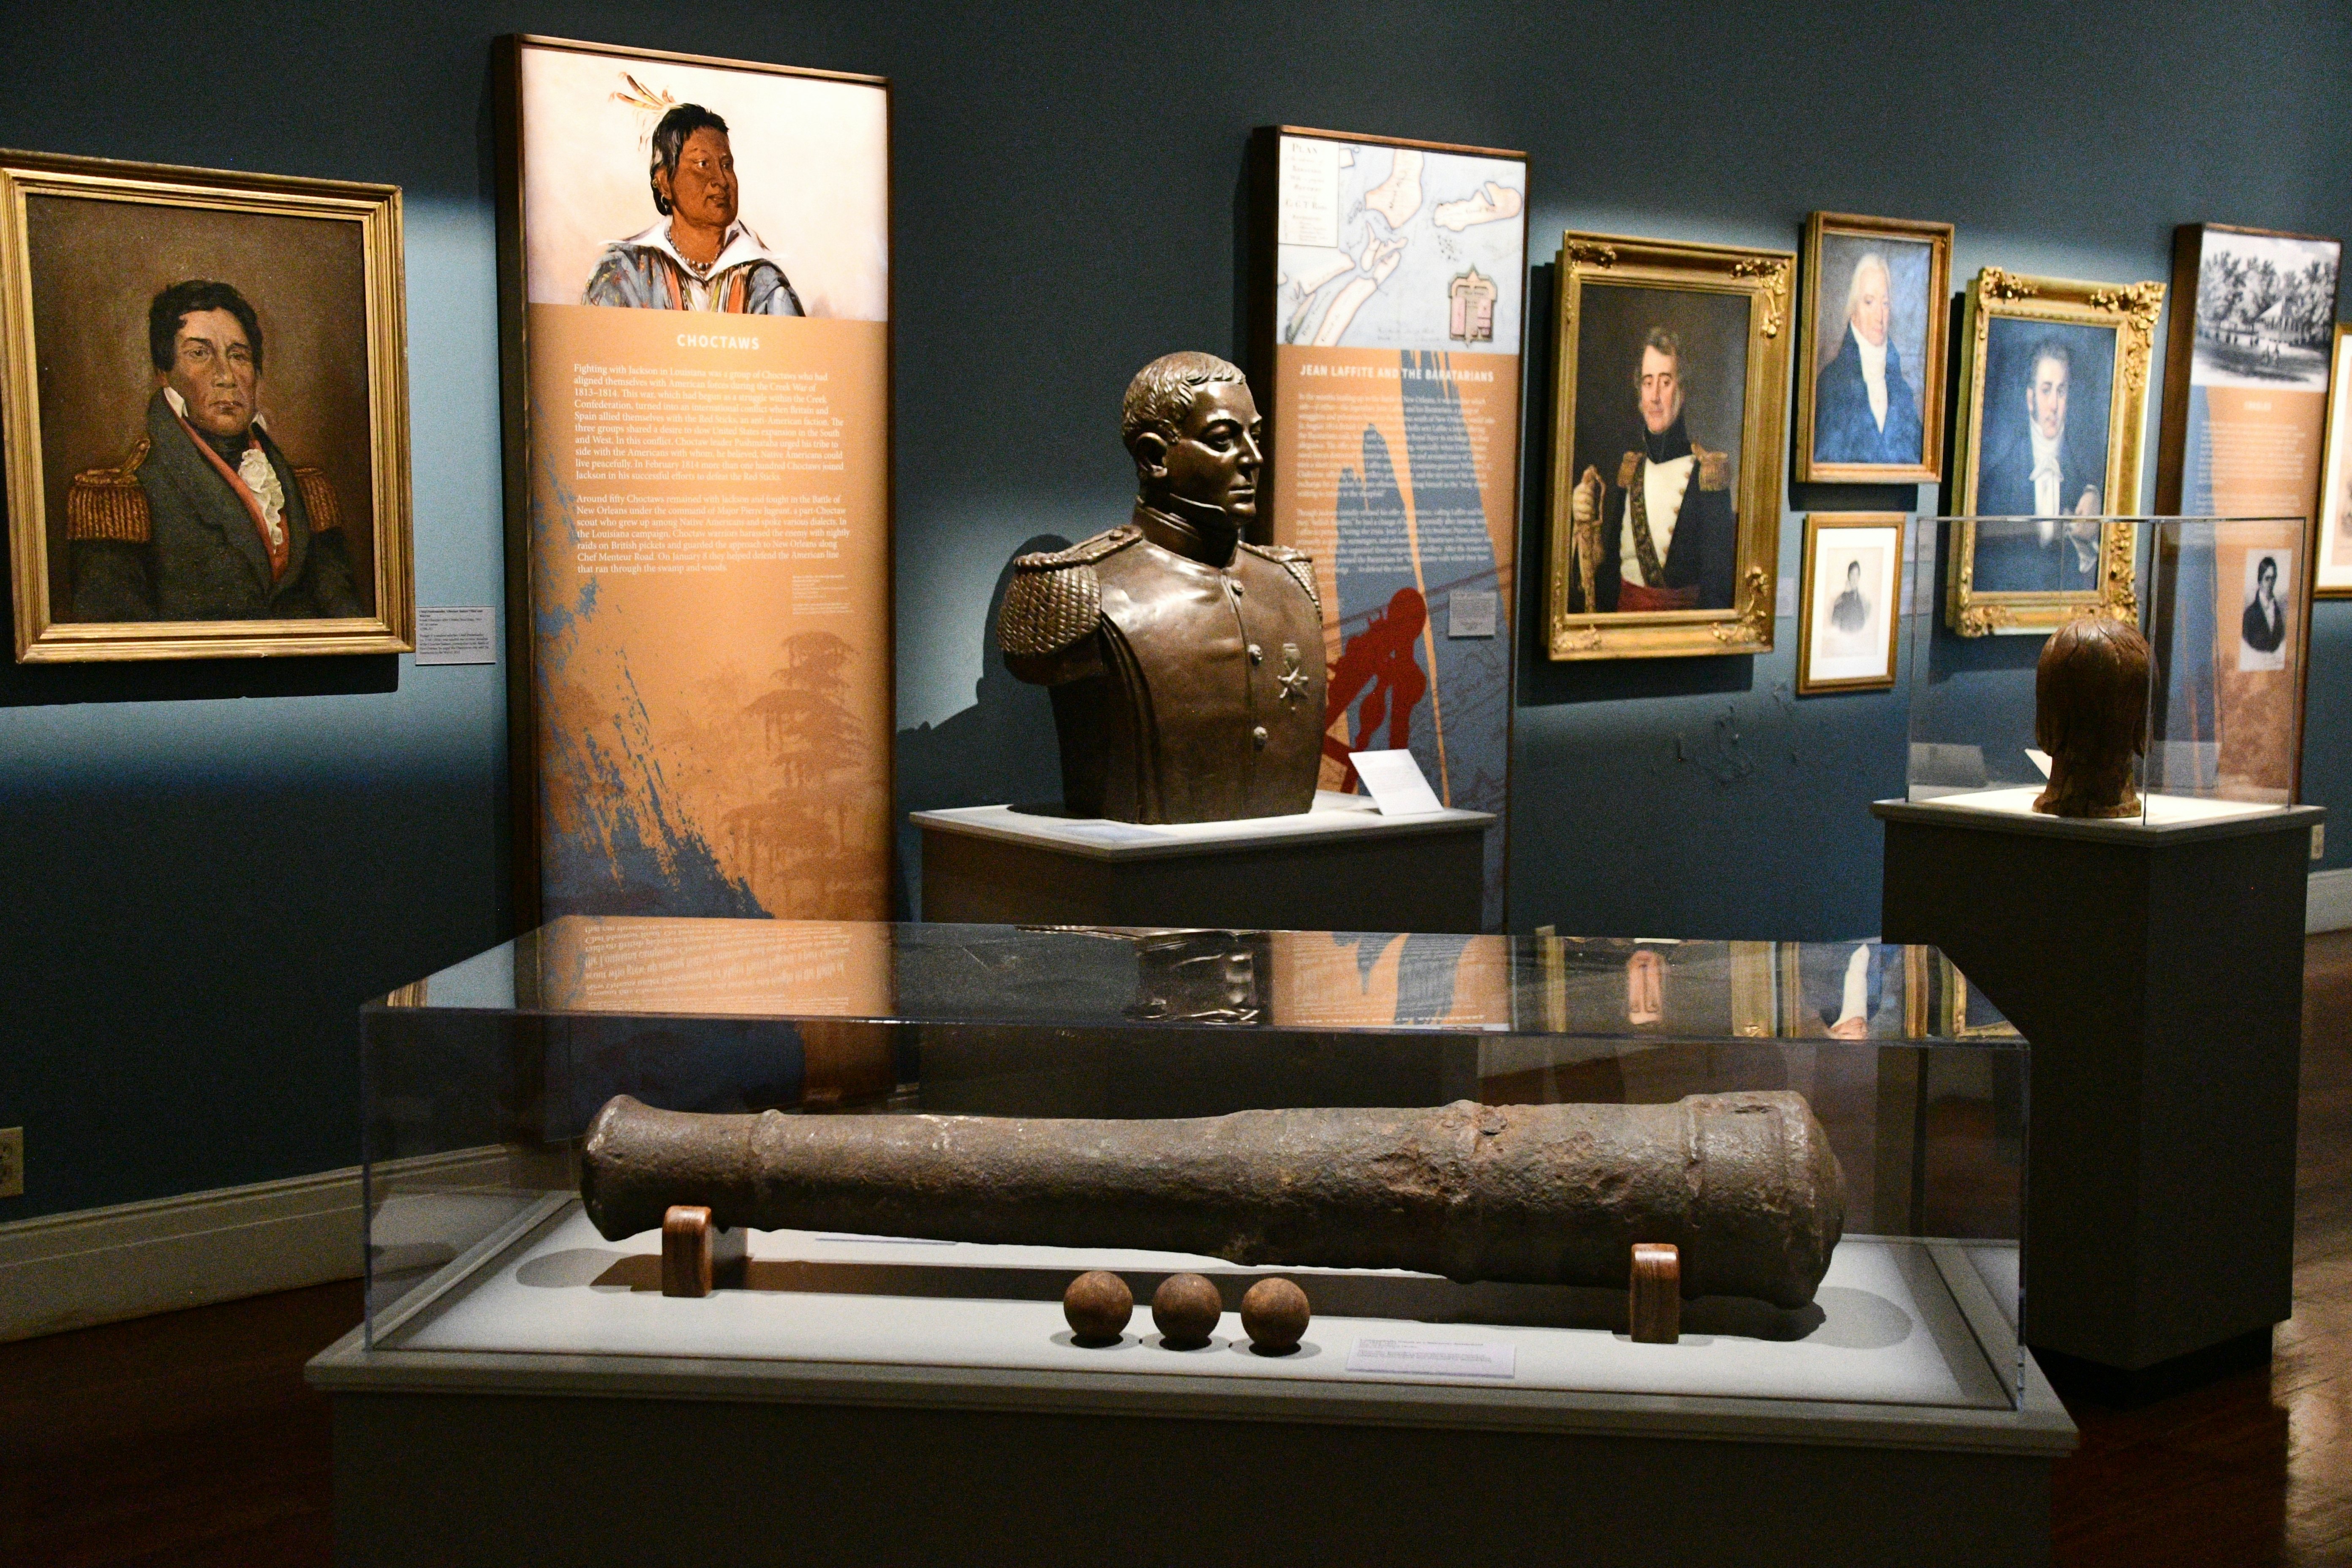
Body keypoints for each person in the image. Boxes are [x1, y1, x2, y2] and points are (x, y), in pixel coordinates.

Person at [998, 352, 1326, 823]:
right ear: (1154, 456)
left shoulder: (1291, 581)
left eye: (1255, 436)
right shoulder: (1078, 588)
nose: (1253, 459)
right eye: (1222, 440)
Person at [65, 280, 362, 621]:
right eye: (199, 354)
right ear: (165, 373)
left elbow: (346, 620)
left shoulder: (307, 492)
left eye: (238, 356)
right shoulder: (121, 499)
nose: (226, 376)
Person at [1567, 327, 1738, 612]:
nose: (1655, 397)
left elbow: (1717, 593)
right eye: (1648, 383)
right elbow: (1607, 580)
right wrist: (1583, 524)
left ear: (1682, 393)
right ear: (1639, 396)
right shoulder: (1630, 471)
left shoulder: (1707, 477)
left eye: (1666, 382)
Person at [584, 103, 804, 314]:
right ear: (664, 182)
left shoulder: (765, 282)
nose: (722, 181)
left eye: (727, 166)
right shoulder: (625, 272)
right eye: (703, 164)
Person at [1972, 338, 2107, 592]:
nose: (2054, 405)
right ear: (2031, 399)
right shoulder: (1999, 479)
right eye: (2047, 390)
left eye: (2062, 391)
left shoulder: (2087, 483)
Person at [1812, 252, 1924, 466]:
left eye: (1885, 304)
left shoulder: (1902, 392)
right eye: (1869, 302)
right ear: (1854, 311)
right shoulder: (1832, 383)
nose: (1880, 316)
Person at [2243, 554, 2286, 655]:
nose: (2271, 583)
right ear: (2260, 580)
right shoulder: (2249, 615)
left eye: (2273, 578)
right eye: (2267, 578)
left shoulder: (2278, 612)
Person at [1829, 558, 1870, 635]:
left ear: (1859, 577)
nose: (1855, 578)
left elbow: (1863, 624)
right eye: (1852, 574)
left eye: (1857, 575)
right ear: (1848, 576)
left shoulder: (1862, 600)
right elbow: (1836, 626)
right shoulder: (1840, 601)